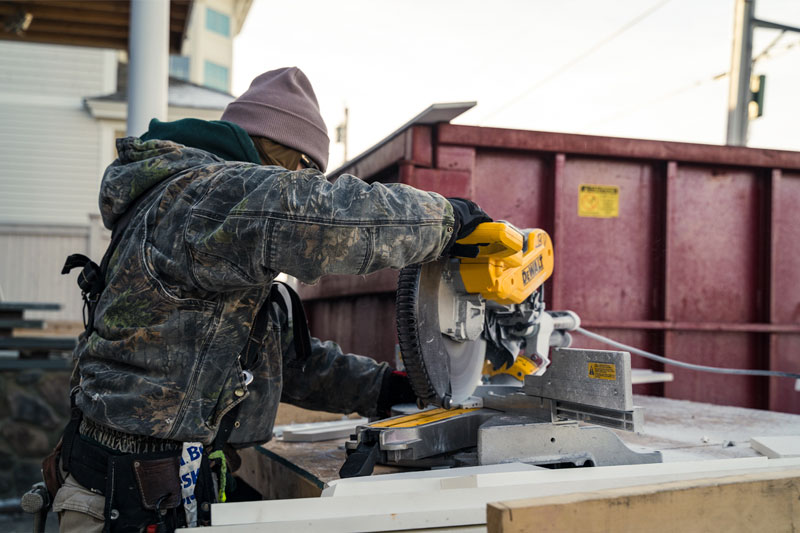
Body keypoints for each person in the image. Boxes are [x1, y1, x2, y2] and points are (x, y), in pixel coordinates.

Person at [48, 67, 491, 532]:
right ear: (281, 153)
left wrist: (382, 388)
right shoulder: (206, 196)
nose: (305, 182)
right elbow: (324, 217)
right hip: (128, 495)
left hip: (155, 484)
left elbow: (281, 362)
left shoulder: (208, 221)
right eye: (305, 171)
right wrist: (450, 219)